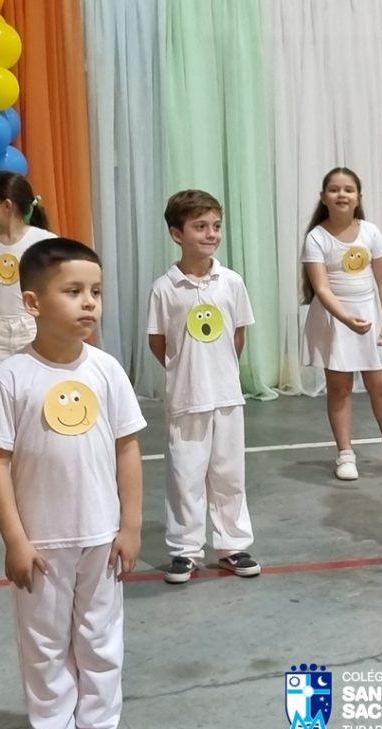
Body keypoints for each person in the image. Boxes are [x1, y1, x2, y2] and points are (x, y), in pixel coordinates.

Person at [0, 237, 146, 729]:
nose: (89, 302)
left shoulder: (107, 370)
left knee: (101, 643)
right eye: (73, 291)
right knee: (45, 646)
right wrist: (15, 540)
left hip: (101, 538)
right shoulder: (12, 377)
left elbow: (127, 449)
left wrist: (131, 526)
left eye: (96, 291)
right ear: (33, 303)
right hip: (42, 543)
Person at [148, 189, 261, 584]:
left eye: (216, 226)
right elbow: (159, 342)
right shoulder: (165, 288)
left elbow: (238, 335)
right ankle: (185, 550)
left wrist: (220, 371)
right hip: (186, 398)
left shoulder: (231, 282)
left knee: (229, 474)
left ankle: (233, 545)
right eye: (200, 227)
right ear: (177, 233)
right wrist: (186, 372)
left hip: (226, 396)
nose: (211, 234)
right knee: (186, 475)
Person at [301, 167, 382, 480]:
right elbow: (322, 288)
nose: (342, 194)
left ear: (358, 197)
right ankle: (345, 453)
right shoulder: (316, 238)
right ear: (323, 197)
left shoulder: (370, 232)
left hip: (368, 315)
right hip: (335, 320)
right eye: (334, 189)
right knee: (340, 389)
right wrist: (345, 318)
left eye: (348, 189)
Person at [0, 171, 57, 386]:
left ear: (7, 205)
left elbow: (59, 280)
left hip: (31, 329)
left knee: (33, 388)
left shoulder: (42, 240)